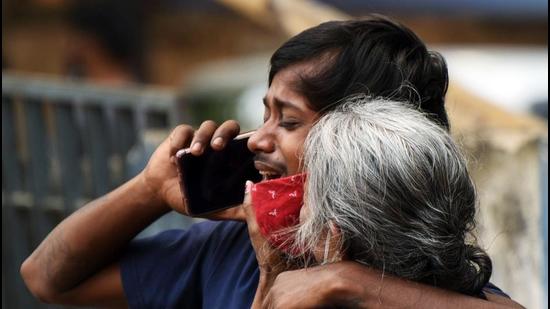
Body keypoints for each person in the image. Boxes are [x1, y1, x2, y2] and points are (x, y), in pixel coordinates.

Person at [20, 16, 523, 308]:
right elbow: (46, 278)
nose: (256, 140)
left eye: (288, 121)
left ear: (369, 142)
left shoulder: (411, 277)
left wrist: (346, 282)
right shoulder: (229, 248)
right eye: (264, 114)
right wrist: (150, 189)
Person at [242, 96, 494, 308]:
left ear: (333, 238)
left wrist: (272, 276)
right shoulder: (469, 296)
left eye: (306, 200)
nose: (300, 212)